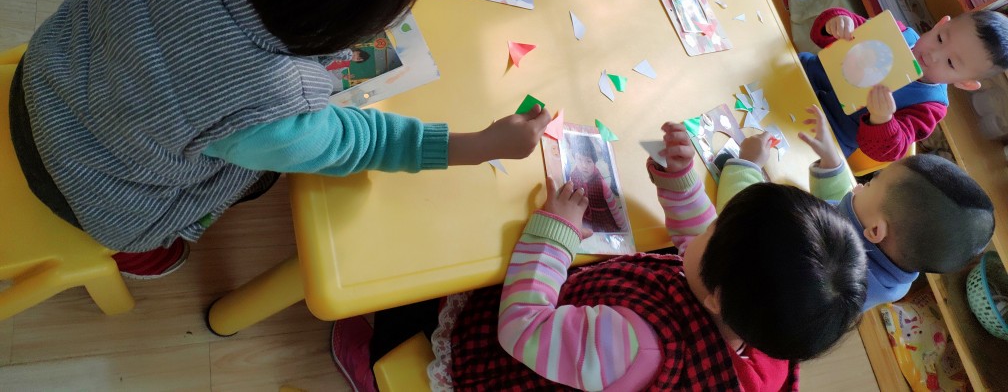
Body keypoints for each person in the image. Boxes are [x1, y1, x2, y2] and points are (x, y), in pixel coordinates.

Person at [8, 0, 551, 278]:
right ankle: (142, 255)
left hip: (40, 75)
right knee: (259, 176)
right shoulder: (269, 102)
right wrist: (475, 146)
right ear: (333, 23)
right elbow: (352, 144)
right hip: (92, 194)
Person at [330, 120, 866, 391]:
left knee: (427, 293)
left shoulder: (637, 345)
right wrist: (680, 182)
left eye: (717, 226)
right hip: (588, 335)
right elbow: (701, 245)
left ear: (719, 295)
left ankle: (373, 367)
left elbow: (521, 328)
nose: (709, 222)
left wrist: (553, 234)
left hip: (514, 359)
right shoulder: (765, 330)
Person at [782, 106, 991, 309]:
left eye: (870, 184)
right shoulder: (892, 273)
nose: (858, 187)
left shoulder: (825, 266)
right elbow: (844, 215)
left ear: (875, 231)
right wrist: (832, 163)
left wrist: (758, 166)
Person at [800, 6, 1008, 162]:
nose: (933, 55)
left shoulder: (930, 106)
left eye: (951, 63)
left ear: (965, 83)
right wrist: (838, 23)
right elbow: (829, 34)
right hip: (802, 73)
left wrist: (882, 120)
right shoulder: (897, 33)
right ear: (939, 24)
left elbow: (889, 150)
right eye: (940, 39)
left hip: (827, 135)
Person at [565, 132, 628, 233]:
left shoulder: (602, 185)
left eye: (588, 161)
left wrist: (624, 228)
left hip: (602, 222)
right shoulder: (573, 176)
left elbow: (614, 210)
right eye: (579, 159)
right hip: (583, 220)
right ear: (574, 158)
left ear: (594, 162)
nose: (583, 165)